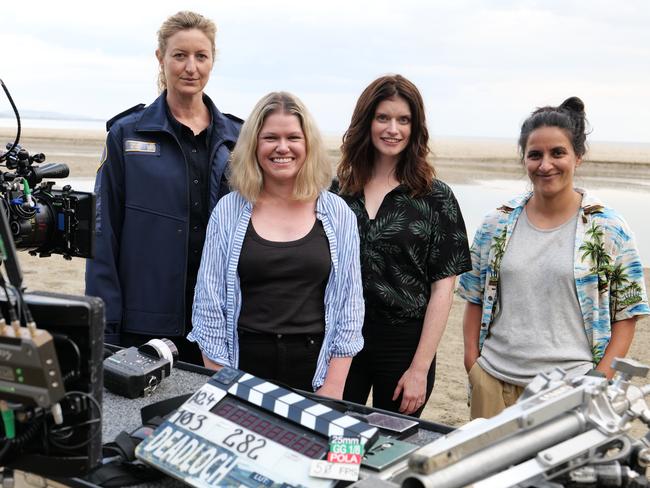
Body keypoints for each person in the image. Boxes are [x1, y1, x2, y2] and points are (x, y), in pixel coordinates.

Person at [459, 96, 650, 419]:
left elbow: (626, 315)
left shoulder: (608, 228)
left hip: (570, 390)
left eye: (557, 152)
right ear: (524, 160)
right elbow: (474, 296)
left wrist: (598, 380)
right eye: (535, 155)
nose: (545, 164)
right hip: (494, 381)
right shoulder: (496, 223)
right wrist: (473, 364)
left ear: (579, 157)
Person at [85, 11, 241, 364]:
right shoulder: (127, 134)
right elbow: (102, 234)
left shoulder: (239, 140)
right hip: (146, 324)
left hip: (220, 324)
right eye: (179, 55)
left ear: (212, 60)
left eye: (201, 56)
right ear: (161, 58)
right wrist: (105, 324)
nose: (191, 67)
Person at [188, 92, 364, 397]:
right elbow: (209, 304)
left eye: (293, 137)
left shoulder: (338, 214)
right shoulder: (229, 211)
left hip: (314, 370)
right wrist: (224, 383)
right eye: (271, 137)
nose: (282, 147)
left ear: (308, 143)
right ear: (254, 144)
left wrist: (333, 386)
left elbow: (350, 305)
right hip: (241, 368)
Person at [335, 75, 472, 416]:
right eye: (383, 118)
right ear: (366, 122)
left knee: (392, 445)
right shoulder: (341, 189)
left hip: (404, 344)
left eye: (403, 120)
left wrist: (419, 368)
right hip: (344, 338)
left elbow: (444, 290)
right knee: (339, 439)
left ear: (415, 127)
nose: (392, 128)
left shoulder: (435, 197)